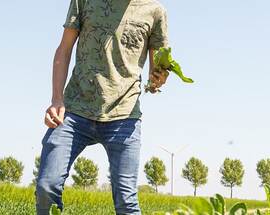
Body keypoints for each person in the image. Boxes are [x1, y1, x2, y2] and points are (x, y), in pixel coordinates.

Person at [35, 0, 169, 214]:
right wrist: (56, 100)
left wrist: (158, 79)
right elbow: (64, 50)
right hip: (74, 110)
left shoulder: (155, 11)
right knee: (46, 187)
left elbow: (157, 71)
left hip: (124, 116)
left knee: (126, 201)